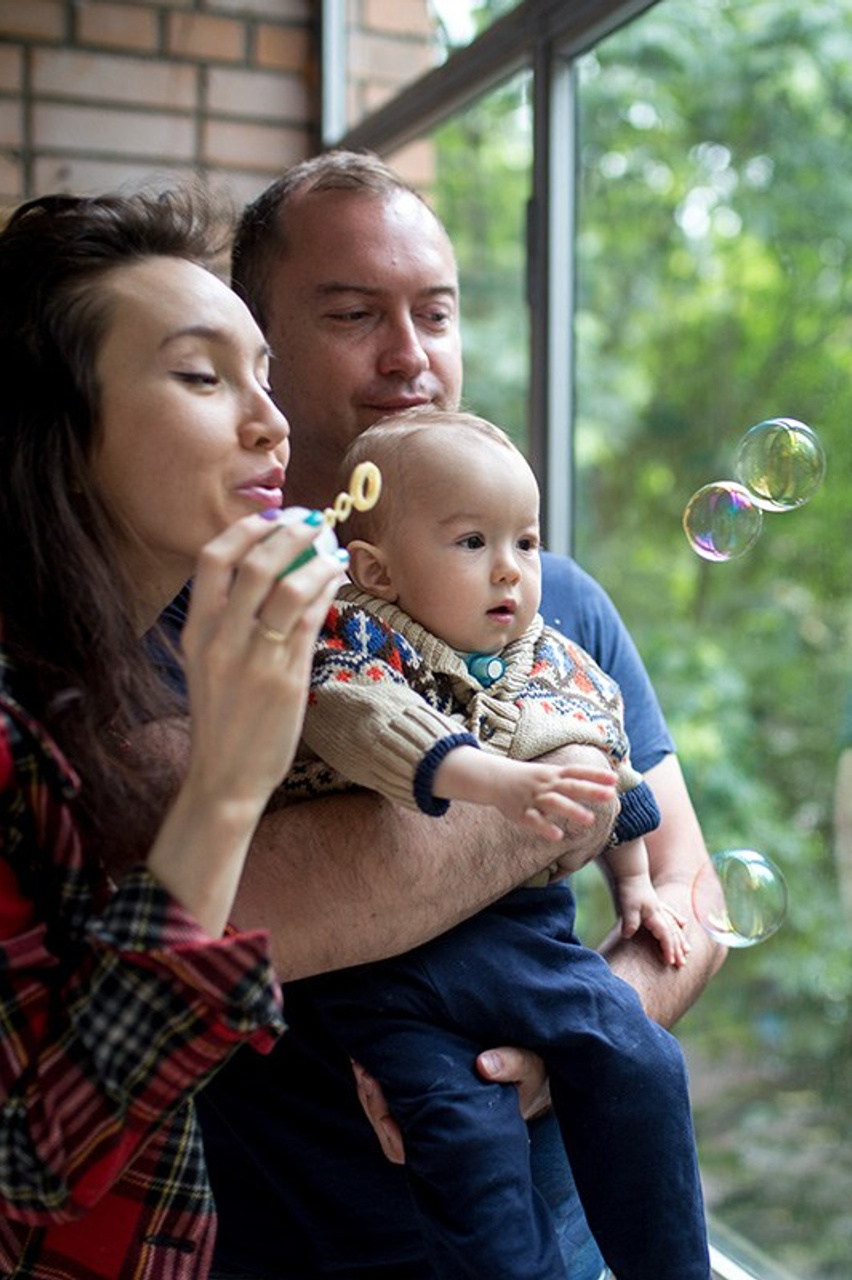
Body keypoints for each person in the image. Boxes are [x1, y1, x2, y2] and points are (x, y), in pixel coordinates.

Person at [195, 149, 726, 1280]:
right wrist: (546, 798)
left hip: (569, 1241)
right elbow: (223, 917)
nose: (410, 355)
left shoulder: (551, 593)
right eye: (353, 314)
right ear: (257, 344)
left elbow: (688, 889)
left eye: (434, 312)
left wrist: (554, 1049)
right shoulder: (200, 599)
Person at [0, 189, 346, 1277]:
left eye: (265, 377)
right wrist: (227, 786)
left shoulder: (95, 687)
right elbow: (21, 1175)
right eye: (202, 375)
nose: (271, 424)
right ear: (51, 433)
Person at [284, 408, 708, 1278]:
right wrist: (497, 781)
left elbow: (609, 771)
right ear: (378, 569)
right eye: (473, 542)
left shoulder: (551, 654)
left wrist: (634, 888)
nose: (512, 568)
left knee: (639, 1058)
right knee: (463, 1140)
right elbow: (366, 722)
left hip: (523, 940)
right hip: (386, 973)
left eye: (526, 540)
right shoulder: (349, 634)